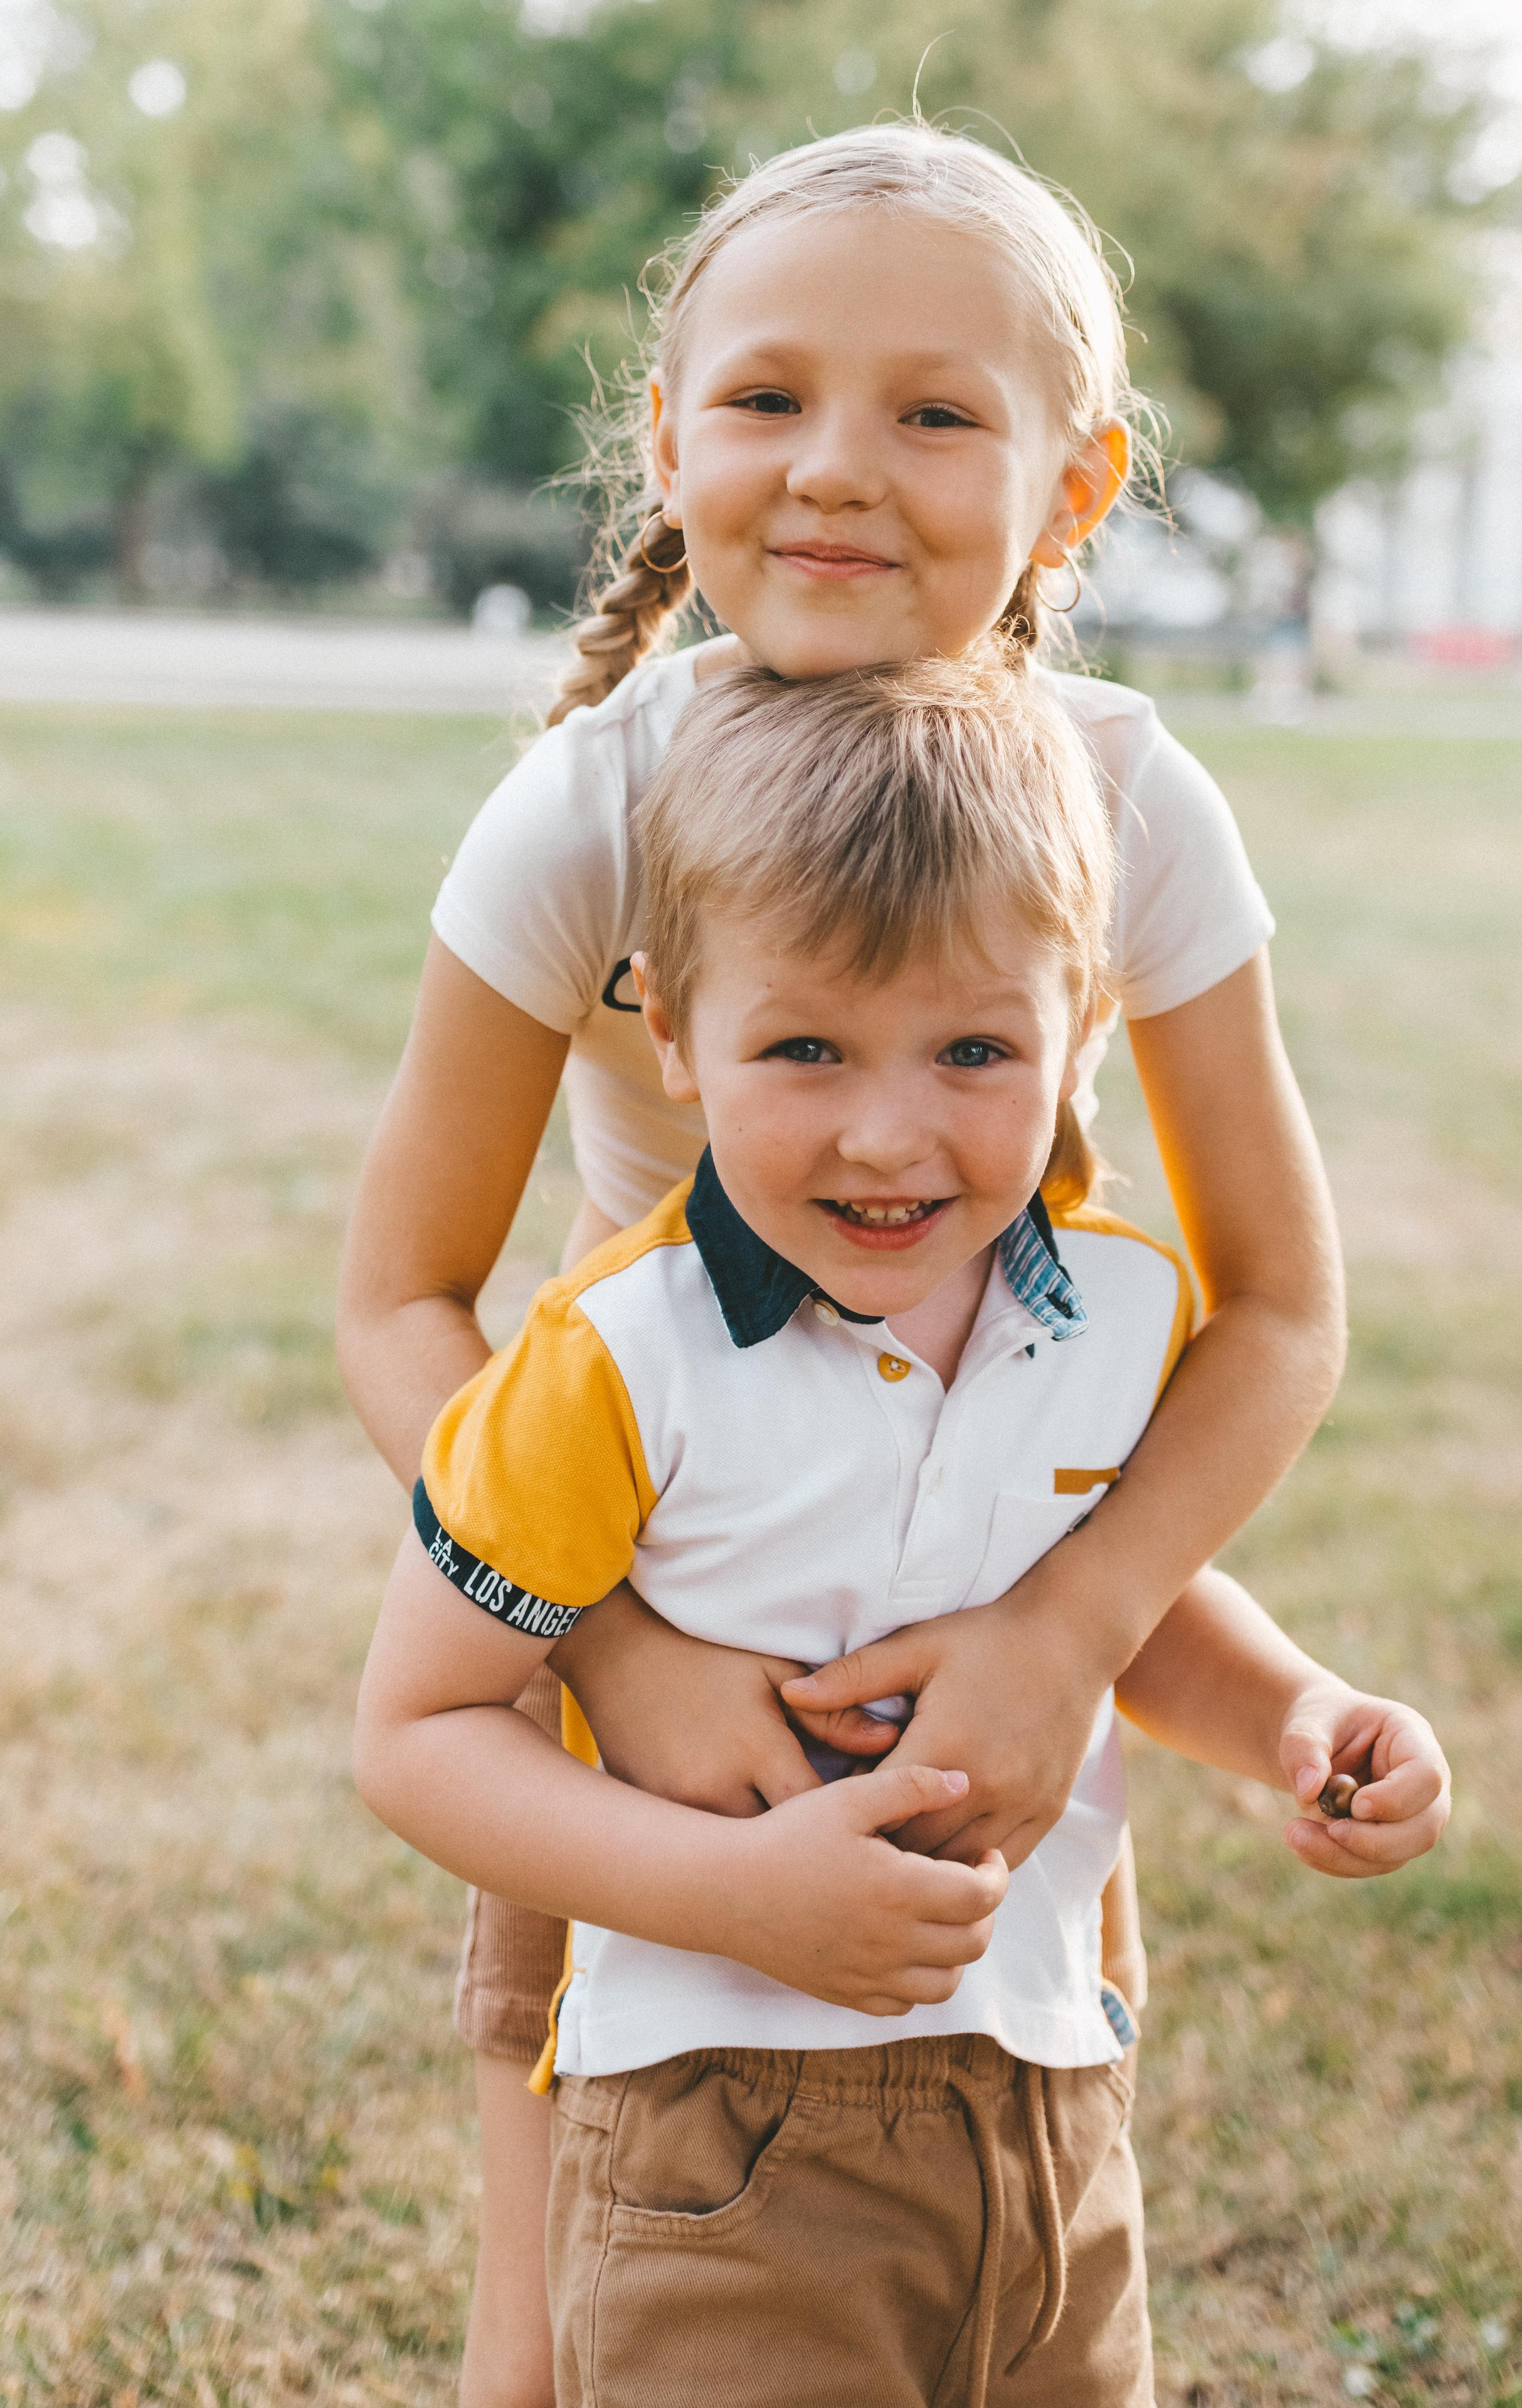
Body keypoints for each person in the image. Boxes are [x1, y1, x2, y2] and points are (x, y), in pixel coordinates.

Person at [337, 122, 1350, 2408]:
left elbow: (1282, 1310)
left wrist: (1068, 1636)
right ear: (668, 437)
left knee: (986, 2156)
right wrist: (622, 1653)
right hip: (648, 1535)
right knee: (564, 2300)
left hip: (977, 1570)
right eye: (769, 397)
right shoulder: (589, 805)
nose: (834, 470)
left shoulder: (1132, 799)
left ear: (1075, 489)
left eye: (935, 412)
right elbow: (400, 1300)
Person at [352, 659, 1451, 2408]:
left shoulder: (1114, 1309)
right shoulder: (608, 1366)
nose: (889, 1133)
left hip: (1047, 2102)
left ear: (1082, 1030)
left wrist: (1297, 1717)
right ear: (674, 1037)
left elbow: (1119, 1600)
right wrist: (736, 1895)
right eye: (806, 1048)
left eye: (975, 1051)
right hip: (719, 2129)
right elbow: (419, 1732)